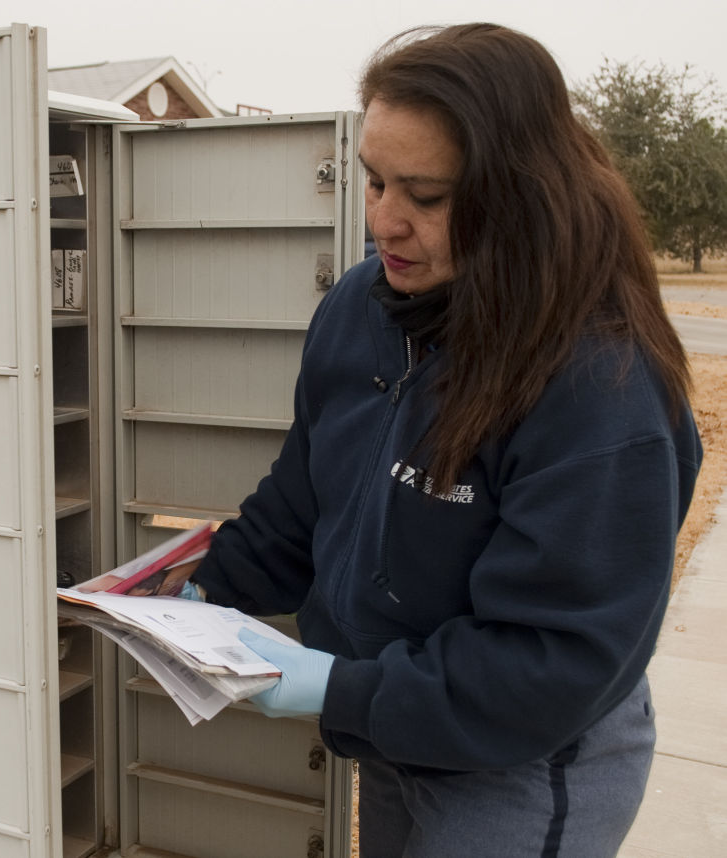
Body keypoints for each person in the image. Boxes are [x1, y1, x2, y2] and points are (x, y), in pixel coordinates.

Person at [150, 23, 703, 857]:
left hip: (525, 757)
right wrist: (201, 589)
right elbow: (304, 503)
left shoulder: (598, 383)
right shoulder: (361, 308)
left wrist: (338, 687)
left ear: (519, 192)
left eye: (427, 195)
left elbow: (551, 658)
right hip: (397, 731)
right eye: (374, 182)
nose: (385, 222)